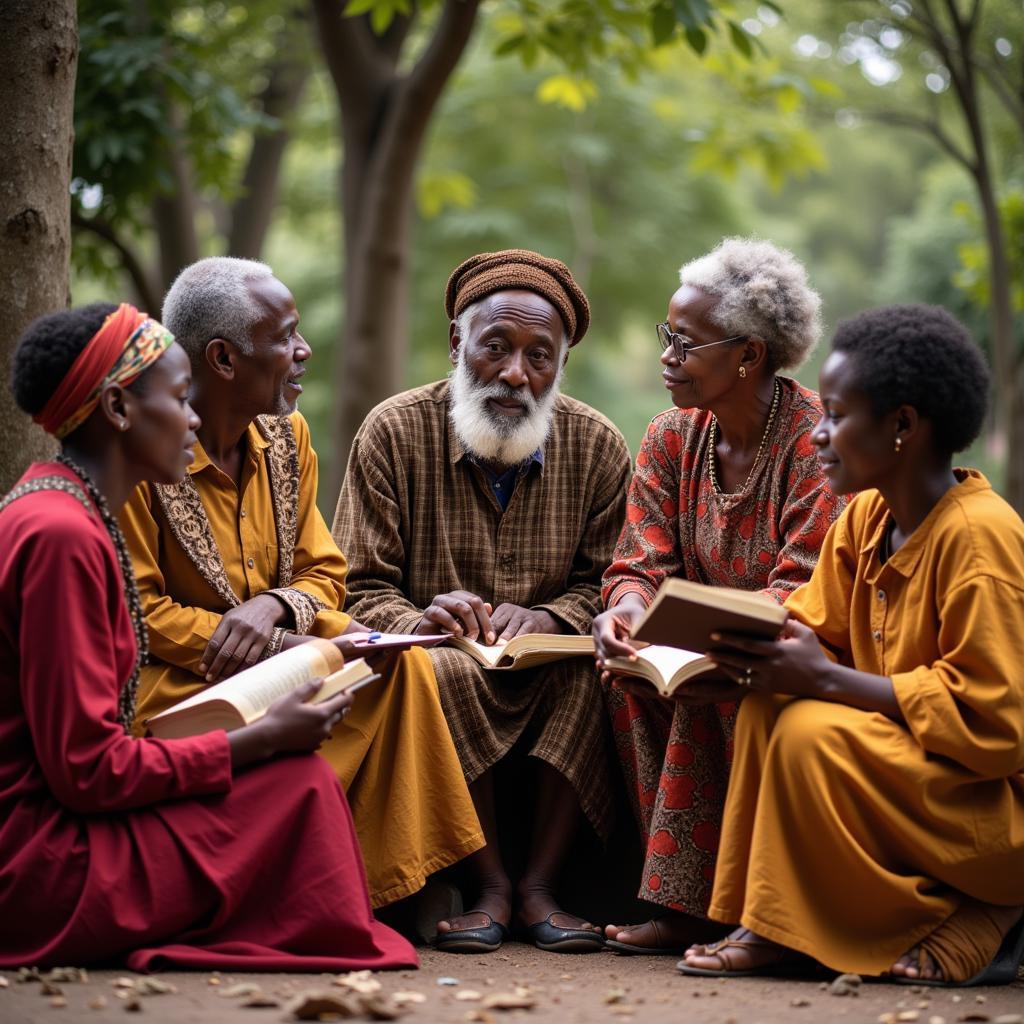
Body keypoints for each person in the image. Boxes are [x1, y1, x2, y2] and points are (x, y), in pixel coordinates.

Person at [0, 303, 415, 970]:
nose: (196, 419)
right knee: (297, 784)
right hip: (40, 866)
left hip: (61, 833)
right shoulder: (62, 536)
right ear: (117, 409)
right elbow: (85, 774)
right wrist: (257, 739)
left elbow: (324, 571)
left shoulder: (58, 507)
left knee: (302, 770)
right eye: (179, 397)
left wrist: (279, 623)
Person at [119, 258, 483, 910]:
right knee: (335, 664)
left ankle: (392, 883)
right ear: (224, 360)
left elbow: (325, 572)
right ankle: (313, 886)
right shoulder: (148, 453)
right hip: (181, 676)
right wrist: (272, 646)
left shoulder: (289, 435)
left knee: (400, 666)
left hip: (285, 652)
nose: (304, 349)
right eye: (286, 336)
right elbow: (141, 614)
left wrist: (274, 607)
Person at [679, 304, 1024, 985]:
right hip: (919, 780)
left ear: (901, 426)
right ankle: (775, 919)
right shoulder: (867, 516)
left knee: (811, 732)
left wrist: (830, 682)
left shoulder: (979, 538)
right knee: (768, 707)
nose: (816, 436)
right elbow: (816, 631)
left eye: (835, 416)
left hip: (996, 814)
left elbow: (999, 725)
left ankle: (986, 907)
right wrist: (739, 654)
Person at [333, 249, 632, 953]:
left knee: (594, 669)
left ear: (561, 367)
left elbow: (611, 580)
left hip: (545, 666)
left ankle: (540, 887)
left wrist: (554, 616)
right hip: (434, 659)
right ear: (455, 344)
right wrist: (423, 619)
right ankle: (489, 884)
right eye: (494, 347)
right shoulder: (392, 431)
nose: (513, 374)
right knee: (440, 671)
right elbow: (353, 585)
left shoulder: (598, 447)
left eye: (540, 356)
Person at [593, 238, 843, 955]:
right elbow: (638, 560)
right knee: (619, 672)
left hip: (782, 644)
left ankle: (759, 908)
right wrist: (629, 611)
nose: (667, 354)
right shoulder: (671, 436)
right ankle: (682, 904)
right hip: (692, 639)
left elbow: (803, 584)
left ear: (748, 356)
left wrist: (708, 632)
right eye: (666, 336)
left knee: (728, 686)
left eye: (685, 341)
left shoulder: (814, 442)